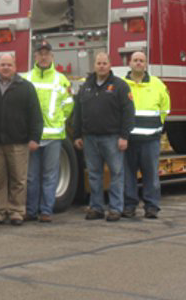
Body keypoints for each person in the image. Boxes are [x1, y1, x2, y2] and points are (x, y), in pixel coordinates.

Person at [72, 51, 135, 222]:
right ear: (94, 66)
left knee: (116, 174)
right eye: (98, 63)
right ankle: (97, 208)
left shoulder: (120, 86)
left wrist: (124, 136)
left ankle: (115, 209)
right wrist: (77, 134)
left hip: (112, 138)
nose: (101, 66)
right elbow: (78, 112)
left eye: (104, 63)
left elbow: (129, 112)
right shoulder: (86, 86)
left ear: (110, 65)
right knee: (93, 175)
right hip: (90, 138)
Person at [0, 53, 43, 226]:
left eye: (9, 65)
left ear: (15, 67)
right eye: (2, 65)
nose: (5, 68)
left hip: (19, 142)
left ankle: (17, 211)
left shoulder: (26, 87)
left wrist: (34, 138)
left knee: (19, 179)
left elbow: (35, 115)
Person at [22, 40, 73, 223]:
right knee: (31, 176)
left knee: (50, 175)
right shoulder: (26, 78)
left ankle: (46, 211)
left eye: (47, 54)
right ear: (35, 56)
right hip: (32, 137)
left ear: (52, 57)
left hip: (53, 136)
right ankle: (31, 210)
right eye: (40, 53)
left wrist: (59, 121)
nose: (43, 57)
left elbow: (68, 105)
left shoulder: (61, 79)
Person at [122, 51, 170, 219]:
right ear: (130, 63)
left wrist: (158, 126)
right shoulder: (122, 84)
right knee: (128, 176)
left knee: (151, 175)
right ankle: (129, 206)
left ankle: (152, 207)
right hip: (129, 141)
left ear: (146, 63)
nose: (138, 63)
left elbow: (165, 107)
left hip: (150, 140)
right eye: (135, 60)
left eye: (141, 60)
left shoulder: (157, 84)